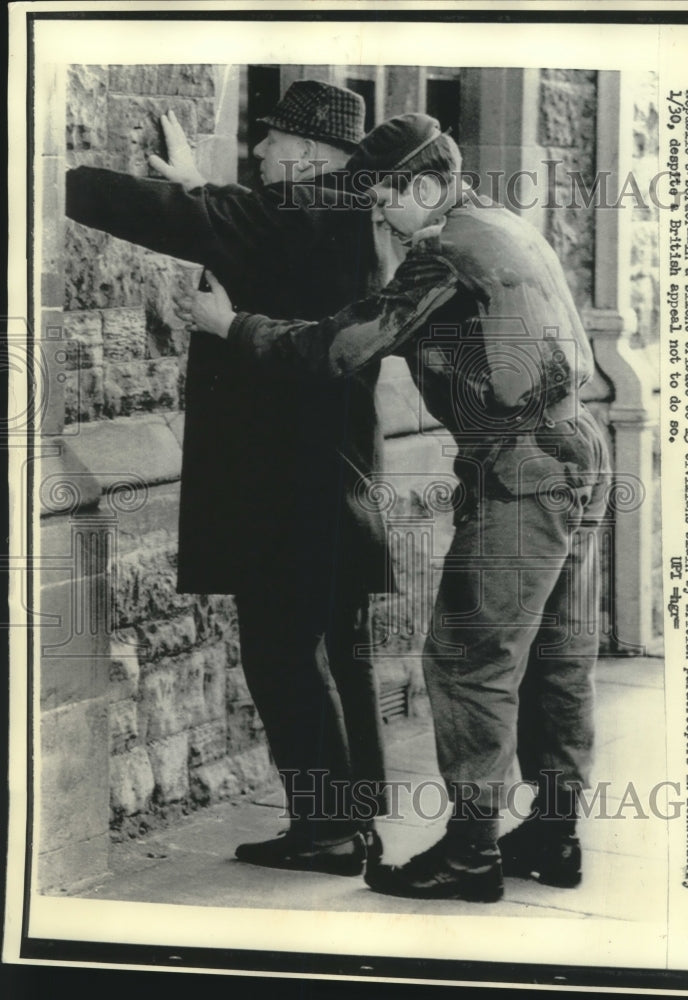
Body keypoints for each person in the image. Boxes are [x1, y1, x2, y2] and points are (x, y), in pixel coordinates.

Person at [179, 113, 613, 903]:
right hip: (577, 447)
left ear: (422, 186)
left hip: (520, 467)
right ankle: (553, 835)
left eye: (385, 203)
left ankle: (470, 854)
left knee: (465, 659)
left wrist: (230, 325)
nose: (380, 219)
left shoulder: (445, 250)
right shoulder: (502, 224)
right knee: (555, 655)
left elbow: (339, 348)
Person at [66, 80, 401, 874]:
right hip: (339, 475)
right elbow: (234, 220)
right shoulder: (347, 217)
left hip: (288, 487)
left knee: (283, 654)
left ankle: (325, 834)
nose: (257, 152)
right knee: (336, 653)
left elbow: (195, 220)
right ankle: (351, 824)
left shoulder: (300, 212)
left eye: (273, 141)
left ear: (314, 155)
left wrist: (49, 171)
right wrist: (195, 186)